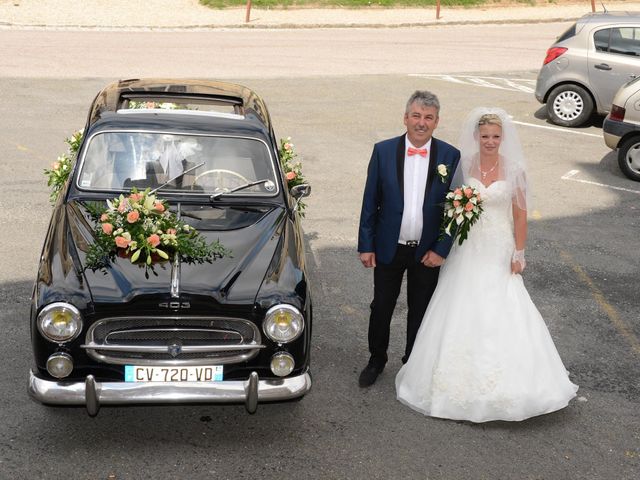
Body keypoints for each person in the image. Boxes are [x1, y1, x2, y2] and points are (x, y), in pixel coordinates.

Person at [395, 107, 578, 422]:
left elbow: (519, 215)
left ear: (502, 137)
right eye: (485, 136)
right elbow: (450, 207)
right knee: (459, 303)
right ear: (476, 137)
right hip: (466, 248)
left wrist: (519, 252)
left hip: (497, 247)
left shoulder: (515, 169)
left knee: (502, 304)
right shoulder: (464, 165)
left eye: (495, 136)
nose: (490, 142)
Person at [357, 90, 461, 388]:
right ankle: (376, 359)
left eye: (428, 117)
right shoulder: (383, 151)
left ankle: (412, 363)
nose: (421, 122)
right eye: (416, 116)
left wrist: (441, 249)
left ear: (437, 122)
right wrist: (366, 244)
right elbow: (370, 202)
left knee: (421, 310)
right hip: (389, 247)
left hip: (426, 252)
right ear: (405, 118)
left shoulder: (450, 156)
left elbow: (456, 208)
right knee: (381, 307)